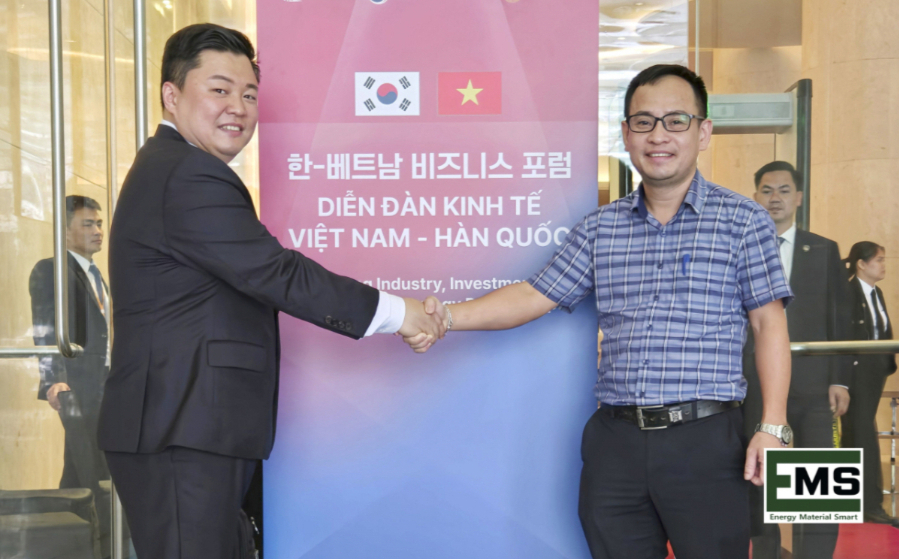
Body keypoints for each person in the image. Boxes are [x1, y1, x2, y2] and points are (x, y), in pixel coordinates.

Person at [408, 64, 793, 558]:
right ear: (626, 135)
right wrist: (445, 317)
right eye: (644, 122)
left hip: (705, 440)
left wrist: (773, 425)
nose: (658, 136)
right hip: (617, 444)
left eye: (676, 121)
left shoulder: (744, 221)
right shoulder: (600, 228)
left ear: (703, 133)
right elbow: (535, 294)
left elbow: (768, 323)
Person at [96, 24, 444, 559]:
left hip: (191, 427)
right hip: (181, 431)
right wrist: (400, 313)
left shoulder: (176, 168)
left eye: (249, 94)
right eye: (219, 90)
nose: (238, 108)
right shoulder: (186, 174)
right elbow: (276, 272)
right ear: (172, 94)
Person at [743, 161, 851, 558]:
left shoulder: (823, 249)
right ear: (755, 197)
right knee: (758, 477)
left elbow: (839, 317)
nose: (775, 198)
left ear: (799, 198)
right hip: (754, 383)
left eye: (784, 190)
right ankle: (766, 552)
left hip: (814, 384)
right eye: (767, 190)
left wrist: (839, 379)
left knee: (818, 479)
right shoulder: (741, 247)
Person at [29, 194, 112, 553]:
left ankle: (69, 542)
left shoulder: (96, 275)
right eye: (88, 224)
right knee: (91, 467)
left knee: (79, 469)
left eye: (99, 223)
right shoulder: (51, 269)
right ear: (65, 231)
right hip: (75, 386)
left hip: (104, 384)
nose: (98, 231)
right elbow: (45, 327)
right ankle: (100, 544)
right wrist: (53, 380)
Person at [841, 241, 898, 527]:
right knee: (861, 433)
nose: (884, 265)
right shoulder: (849, 292)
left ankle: (859, 501)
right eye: (879, 260)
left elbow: (881, 331)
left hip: (876, 370)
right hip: (856, 372)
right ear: (861, 264)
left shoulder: (877, 293)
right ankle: (870, 503)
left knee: (860, 431)